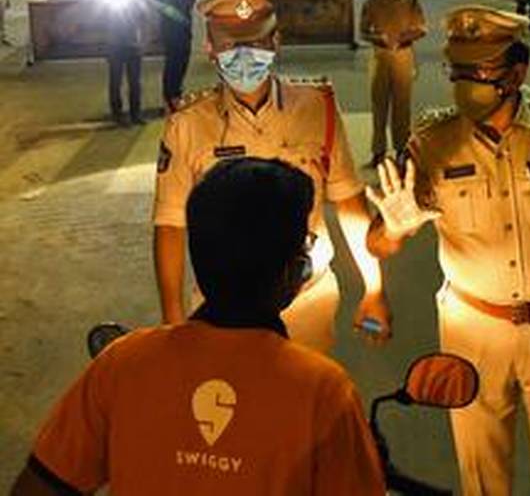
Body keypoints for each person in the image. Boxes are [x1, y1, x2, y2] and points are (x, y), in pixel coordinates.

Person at [365, 6, 530, 495]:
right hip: (474, 334)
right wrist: (395, 228)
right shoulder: (431, 145)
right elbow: (377, 244)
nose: (466, 82)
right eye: (458, 70)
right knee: (483, 479)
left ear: (517, 72)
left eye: (481, 70)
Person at [11, 157, 385, 495]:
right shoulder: (323, 394)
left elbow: (38, 487)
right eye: (304, 244)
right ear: (293, 271)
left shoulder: (121, 365)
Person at [153, 0, 392, 353]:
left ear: (276, 42)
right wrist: (174, 325)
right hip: (221, 314)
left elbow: (348, 202)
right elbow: (170, 226)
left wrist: (373, 288)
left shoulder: (318, 108)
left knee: (304, 404)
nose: (244, 55)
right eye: (232, 45)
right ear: (211, 49)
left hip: (307, 302)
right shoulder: (187, 124)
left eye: (256, 43)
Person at [359, 0, 427, 168]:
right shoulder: (372, 1)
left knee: (402, 106)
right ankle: (378, 151)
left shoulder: (410, 0)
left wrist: (403, 38)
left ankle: (402, 150)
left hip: (403, 57)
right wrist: (379, 38)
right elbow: (363, 30)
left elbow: (422, 27)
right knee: (379, 105)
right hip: (380, 57)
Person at [154, 0, 201, 111]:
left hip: (184, 33)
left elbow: (186, 7)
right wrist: (183, 18)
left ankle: (177, 96)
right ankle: (169, 98)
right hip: (171, 35)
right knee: (172, 67)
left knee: (182, 66)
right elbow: (169, 12)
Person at [104, 0, 145, 126]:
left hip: (132, 46)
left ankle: (135, 113)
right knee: (116, 82)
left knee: (134, 83)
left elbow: (143, 20)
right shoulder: (110, 4)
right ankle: (118, 114)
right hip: (116, 46)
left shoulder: (136, 3)